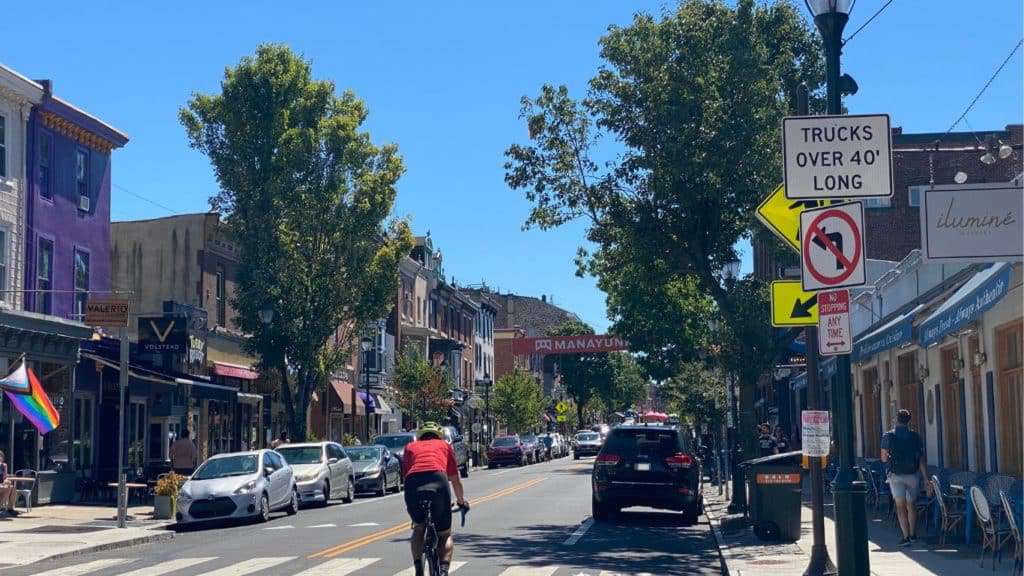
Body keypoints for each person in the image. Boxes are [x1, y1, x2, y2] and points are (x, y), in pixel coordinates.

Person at [402, 422, 468, 576]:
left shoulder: (410, 447)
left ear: (420, 436)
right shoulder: (444, 445)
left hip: (413, 482)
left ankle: (418, 568)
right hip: (438, 480)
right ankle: (444, 571)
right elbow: (455, 479)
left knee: (418, 527)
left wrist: (410, 504)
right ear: (439, 436)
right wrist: (460, 501)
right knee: (444, 533)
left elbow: (406, 476)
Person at [881, 409, 931, 546]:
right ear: (909, 420)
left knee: (900, 507)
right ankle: (914, 534)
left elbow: (884, 458)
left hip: (896, 476)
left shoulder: (888, 436)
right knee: (912, 505)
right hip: (913, 475)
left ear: (896, 419)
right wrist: (926, 479)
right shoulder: (915, 436)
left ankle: (906, 537)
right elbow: (921, 460)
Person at [0, 450, 17, 516]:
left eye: (1, 456)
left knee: (13, 488)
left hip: (2, 485)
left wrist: (6, 481)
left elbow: (5, 477)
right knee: (8, 487)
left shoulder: (4, 465)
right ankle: (2, 508)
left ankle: (10, 509)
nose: (0, 458)